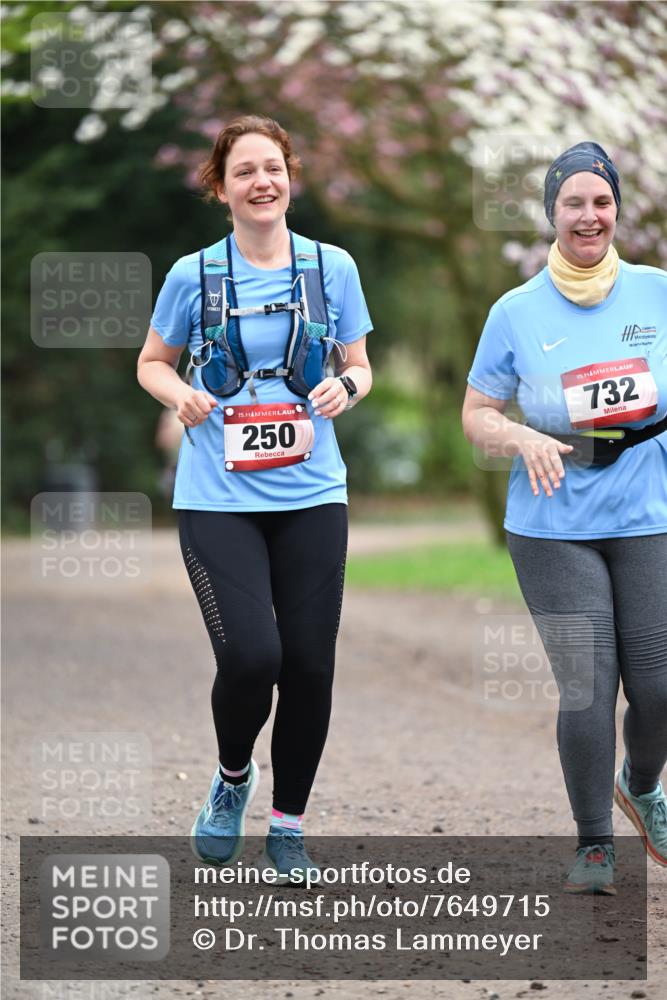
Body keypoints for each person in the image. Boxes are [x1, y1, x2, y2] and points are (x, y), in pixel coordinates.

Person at [138, 115, 373, 881]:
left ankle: (288, 825)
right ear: (221, 186)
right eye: (243, 171)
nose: (261, 182)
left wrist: (344, 385)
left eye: (272, 167)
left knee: (309, 665)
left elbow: (359, 365)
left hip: (312, 493)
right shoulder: (191, 274)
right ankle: (232, 778)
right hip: (217, 497)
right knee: (252, 658)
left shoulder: (329, 266)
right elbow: (151, 362)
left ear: (290, 175)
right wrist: (180, 395)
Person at [462, 141, 667, 894]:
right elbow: (477, 413)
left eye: (601, 201)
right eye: (573, 202)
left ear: (616, 210)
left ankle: (640, 786)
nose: (589, 215)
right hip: (552, 525)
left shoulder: (656, 292)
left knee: (658, 687)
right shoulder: (514, 312)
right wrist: (516, 434)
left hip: (647, 515)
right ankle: (591, 844)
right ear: (551, 212)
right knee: (588, 682)